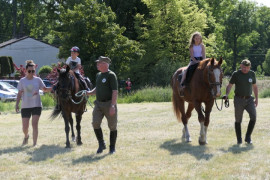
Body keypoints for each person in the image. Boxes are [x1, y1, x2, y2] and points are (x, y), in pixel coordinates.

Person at [15, 60, 53, 146]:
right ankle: (26, 136)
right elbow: (19, 93)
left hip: (37, 105)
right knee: (25, 127)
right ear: (26, 71)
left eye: (33, 71)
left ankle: (34, 144)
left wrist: (54, 87)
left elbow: (45, 89)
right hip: (25, 106)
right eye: (29, 71)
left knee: (34, 124)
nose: (31, 72)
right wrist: (17, 104)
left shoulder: (38, 80)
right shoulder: (22, 81)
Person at [87, 56, 118, 154]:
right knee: (95, 123)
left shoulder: (111, 75)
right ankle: (101, 144)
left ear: (105, 64)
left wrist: (113, 105)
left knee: (112, 126)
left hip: (109, 104)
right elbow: (97, 89)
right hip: (99, 104)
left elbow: (115, 91)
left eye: (99, 63)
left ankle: (112, 148)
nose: (97, 65)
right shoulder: (98, 75)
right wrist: (88, 92)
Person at [224, 59, 258, 144]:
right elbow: (229, 85)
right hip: (238, 99)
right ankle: (239, 139)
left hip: (249, 99)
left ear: (249, 67)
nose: (245, 69)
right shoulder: (236, 74)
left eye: (247, 67)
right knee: (238, 120)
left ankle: (248, 137)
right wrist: (227, 94)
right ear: (240, 66)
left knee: (253, 117)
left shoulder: (252, 74)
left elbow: (255, 87)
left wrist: (257, 99)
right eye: (243, 67)